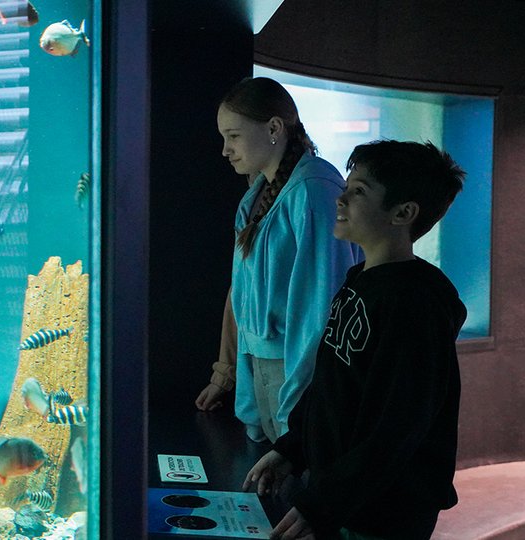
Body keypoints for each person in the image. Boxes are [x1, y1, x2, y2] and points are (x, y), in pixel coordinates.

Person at [243, 140, 467, 540]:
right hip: (346, 502)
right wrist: (292, 449)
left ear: (403, 213)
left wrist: (323, 504)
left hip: (382, 515)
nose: (341, 198)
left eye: (358, 191)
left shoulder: (415, 304)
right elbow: (331, 386)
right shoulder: (359, 279)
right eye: (347, 186)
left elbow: (398, 426)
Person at [196, 77, 361, 443]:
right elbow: (241, 292)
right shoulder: (256, 195)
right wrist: (226, 373)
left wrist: (296, 410)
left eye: (234, 136)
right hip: (263, 372)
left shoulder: (313, 190)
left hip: (297, 376)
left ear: (273, 128)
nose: (225, 150)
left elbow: (321, 308)